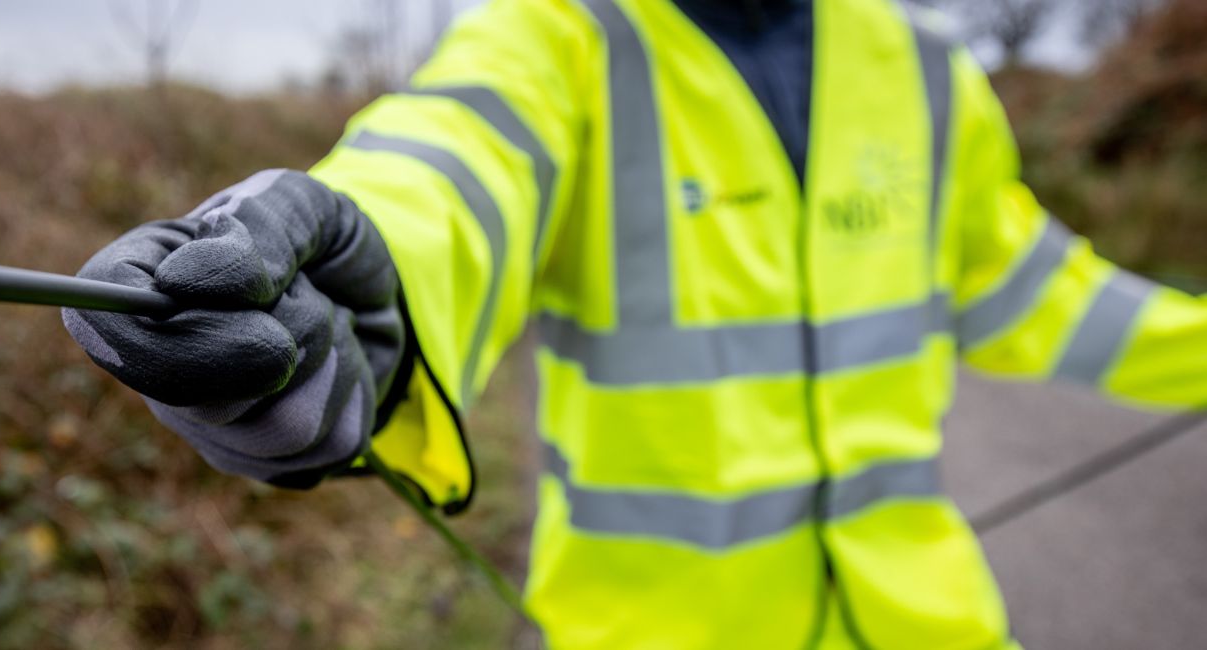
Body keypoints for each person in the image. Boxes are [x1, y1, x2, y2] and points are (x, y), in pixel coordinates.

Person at [62, 0, 1207, 647]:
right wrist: (360, 266)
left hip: (929, 626)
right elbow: (451, 164)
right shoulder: (562, 38)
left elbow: (1031, 288)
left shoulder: (926, 71)